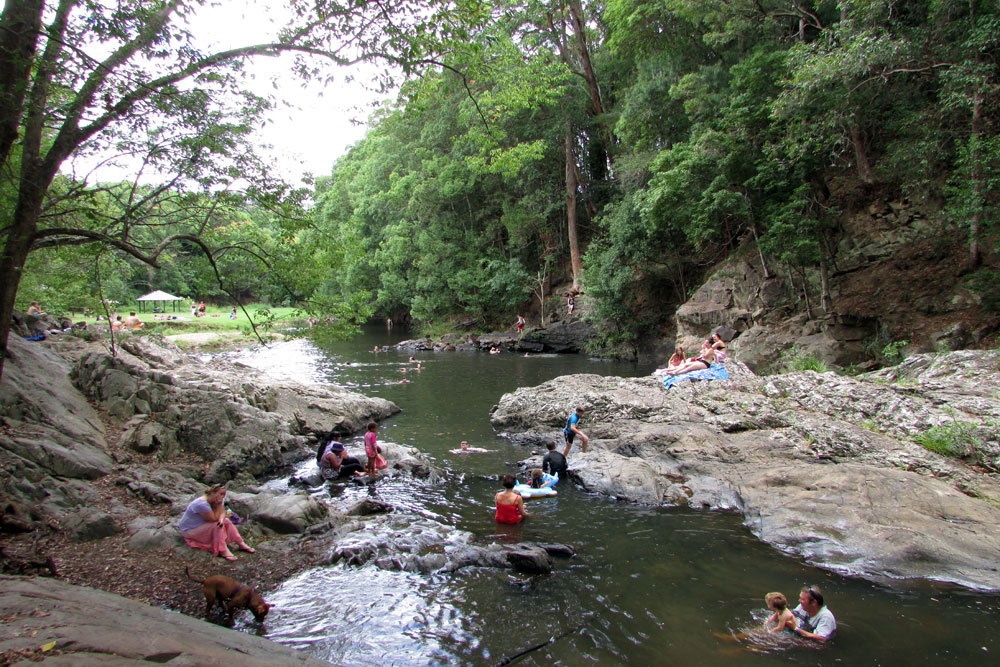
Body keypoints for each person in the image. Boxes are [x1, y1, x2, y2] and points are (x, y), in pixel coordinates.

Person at [178, 484, 255, 561]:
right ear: (212, 493)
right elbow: (213, 519)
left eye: (224, 494)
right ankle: (223, 550)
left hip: (203, 526)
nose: (222, 496)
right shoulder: (201, 504)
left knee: (226, 521)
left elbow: (222, 513)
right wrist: (218, 506)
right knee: (216, 525)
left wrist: (221, 519)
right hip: (190, 530)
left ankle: (240, 543)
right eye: (220, 494)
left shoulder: (219, 500)